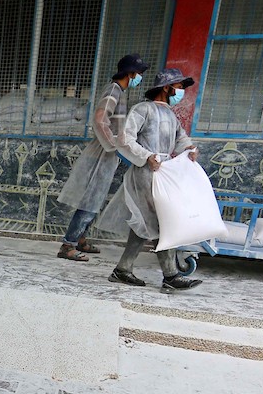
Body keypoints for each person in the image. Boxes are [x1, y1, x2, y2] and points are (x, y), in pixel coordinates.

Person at [95, 68, 203, 292]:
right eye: (179, 87)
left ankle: (123, 269)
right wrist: (146, 156)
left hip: (163, 173)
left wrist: (190, 148)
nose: (181, 91)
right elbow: (125, 139)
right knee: (161, 221)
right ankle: (171, 276)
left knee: (146, 223)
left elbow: (181, 139)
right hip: (145, 173)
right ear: (167, 87)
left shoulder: (171, 116)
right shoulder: (142, 109)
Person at [57, 53, 148, 262]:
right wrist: (112, 145)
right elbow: (100, 119)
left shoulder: (119, 92)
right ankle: (68, 245)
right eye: (138, 73)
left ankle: (80, 239)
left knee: (94, 200)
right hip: (100, 155)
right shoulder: (114, 90)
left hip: (106, 154)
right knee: (90, 200)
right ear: (130, 73)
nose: (140, 77)